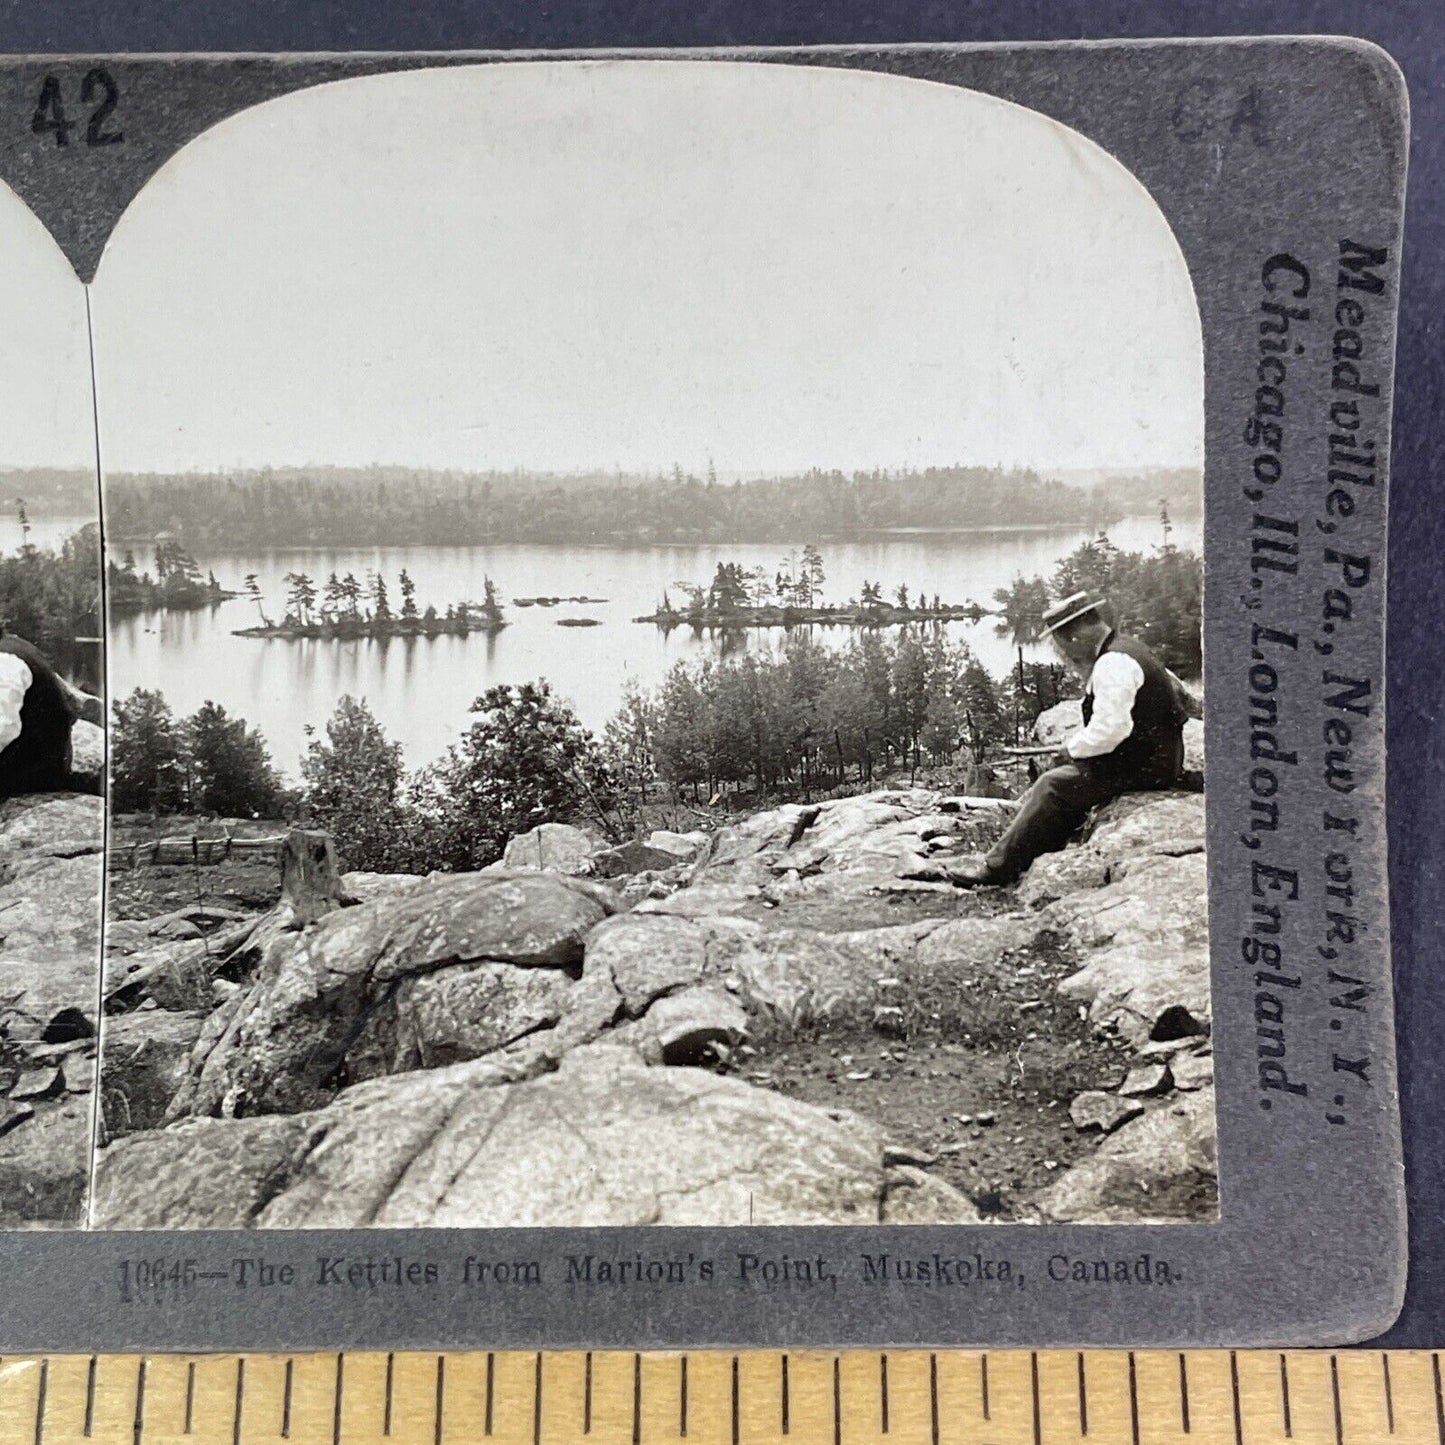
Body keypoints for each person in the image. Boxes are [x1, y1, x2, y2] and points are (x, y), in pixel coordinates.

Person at [950, 592, 1192, 886]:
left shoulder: (1112, 663)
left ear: (1076, 635)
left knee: (1053, 785)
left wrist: (1071, 749)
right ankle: (1033, 853)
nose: (1069, 655)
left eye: (1064, 646)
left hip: (1145, 768)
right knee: (1067, 783)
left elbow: (1111, 730)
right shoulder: (1126, 649)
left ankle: (997, 870)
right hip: (1156, 758)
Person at [0, 629, 104, 798]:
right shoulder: (13, 646)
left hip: (33, 771)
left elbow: (3, 729)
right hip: (37, 760)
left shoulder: (6, 662)